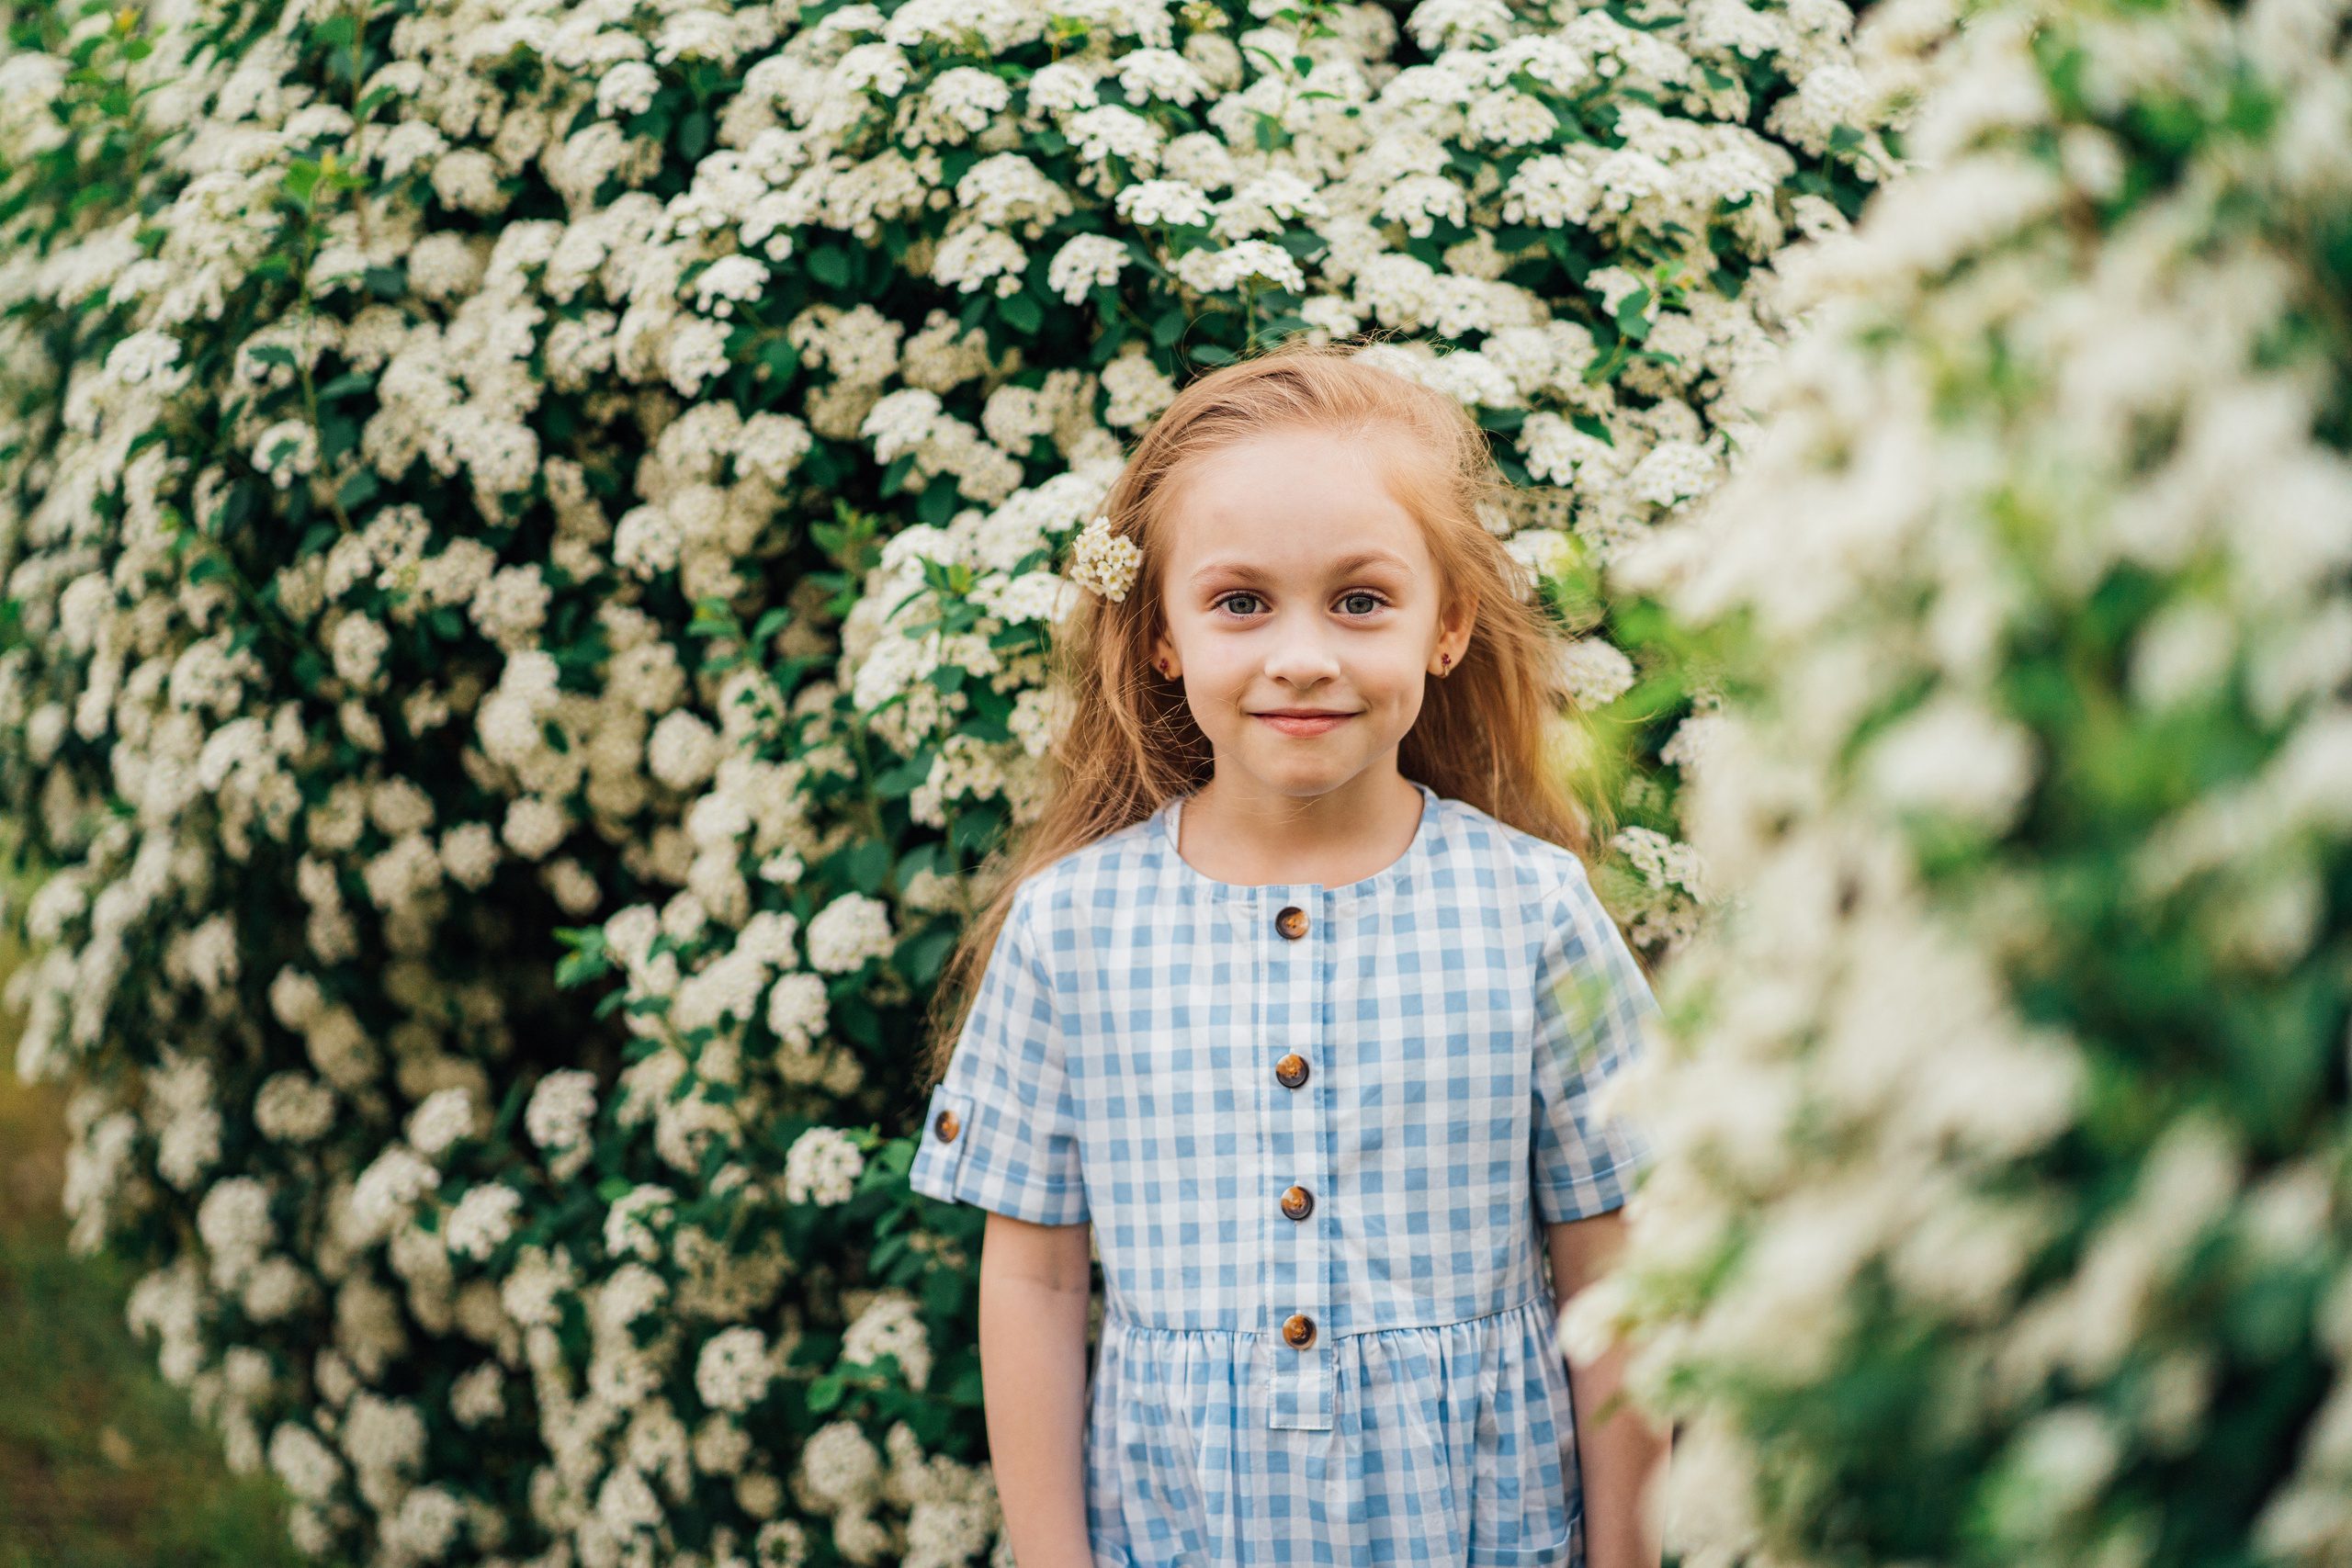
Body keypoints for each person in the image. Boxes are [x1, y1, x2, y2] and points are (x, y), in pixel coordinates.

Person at [907, 345, 1669, 1568]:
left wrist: (1626, 1555)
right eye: (1241, 602)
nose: (1302, 654)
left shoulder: (1532, 909)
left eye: (1360, 601)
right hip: (1181, 1533)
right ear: (1161, 633)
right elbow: (1038, 1283)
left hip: (1481, 1531)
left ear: (1447, 624)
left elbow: (1606, 1258)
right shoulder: (1074, 930)